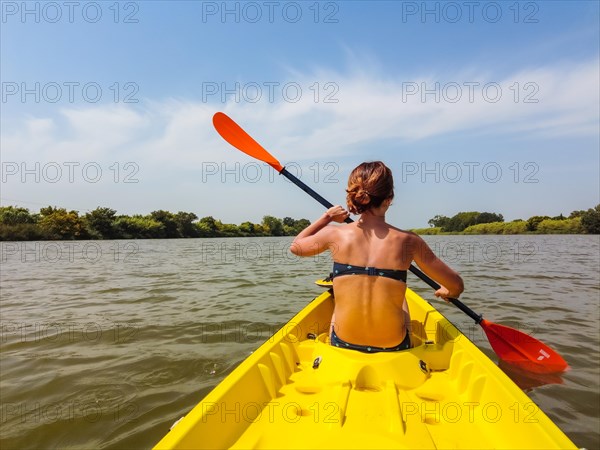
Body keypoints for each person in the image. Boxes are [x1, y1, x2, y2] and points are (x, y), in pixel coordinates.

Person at [290, 161, 464, 353]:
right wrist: (449, 292)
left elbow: (296, 247)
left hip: (343, 341)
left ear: (353, 196)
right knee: (402, 293)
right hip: (394, 344)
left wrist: (327, 217)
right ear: (389, 198)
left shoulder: (334, 234)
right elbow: (456, 285)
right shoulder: (409, 241)